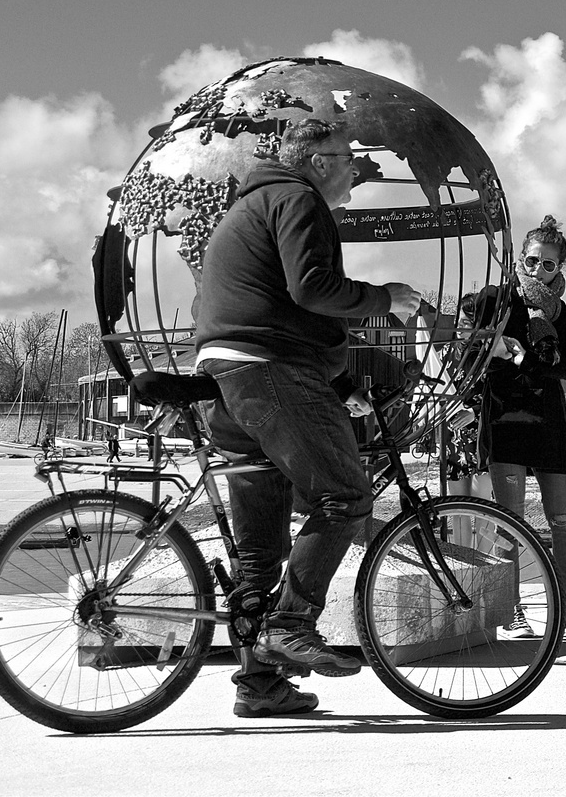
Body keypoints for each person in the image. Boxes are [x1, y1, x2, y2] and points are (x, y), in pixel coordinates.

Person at [194, 118, 420, 719]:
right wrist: (383, 299)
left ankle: (261, 686)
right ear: (319, 160)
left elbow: (292, 310)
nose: (357, 169)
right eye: (349, 158)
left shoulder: (254, 203)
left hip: (231, 373)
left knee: (259, 555)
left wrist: (342, 379)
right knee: (345, 497)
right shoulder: (298, 197)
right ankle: (292, 622)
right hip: (268, 368)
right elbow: (314, 288)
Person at [473, 215, 566, 639]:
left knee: (563, 520)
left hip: (547, 423)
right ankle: (511, 609)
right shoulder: (494, 300)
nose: (538, 271)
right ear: (519, 261)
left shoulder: (559, 310)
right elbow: (472, 346)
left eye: (548, 265)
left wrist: (522, 359)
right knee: (509, 520)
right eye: (532, 262)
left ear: (560, 268)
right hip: (505, 419)